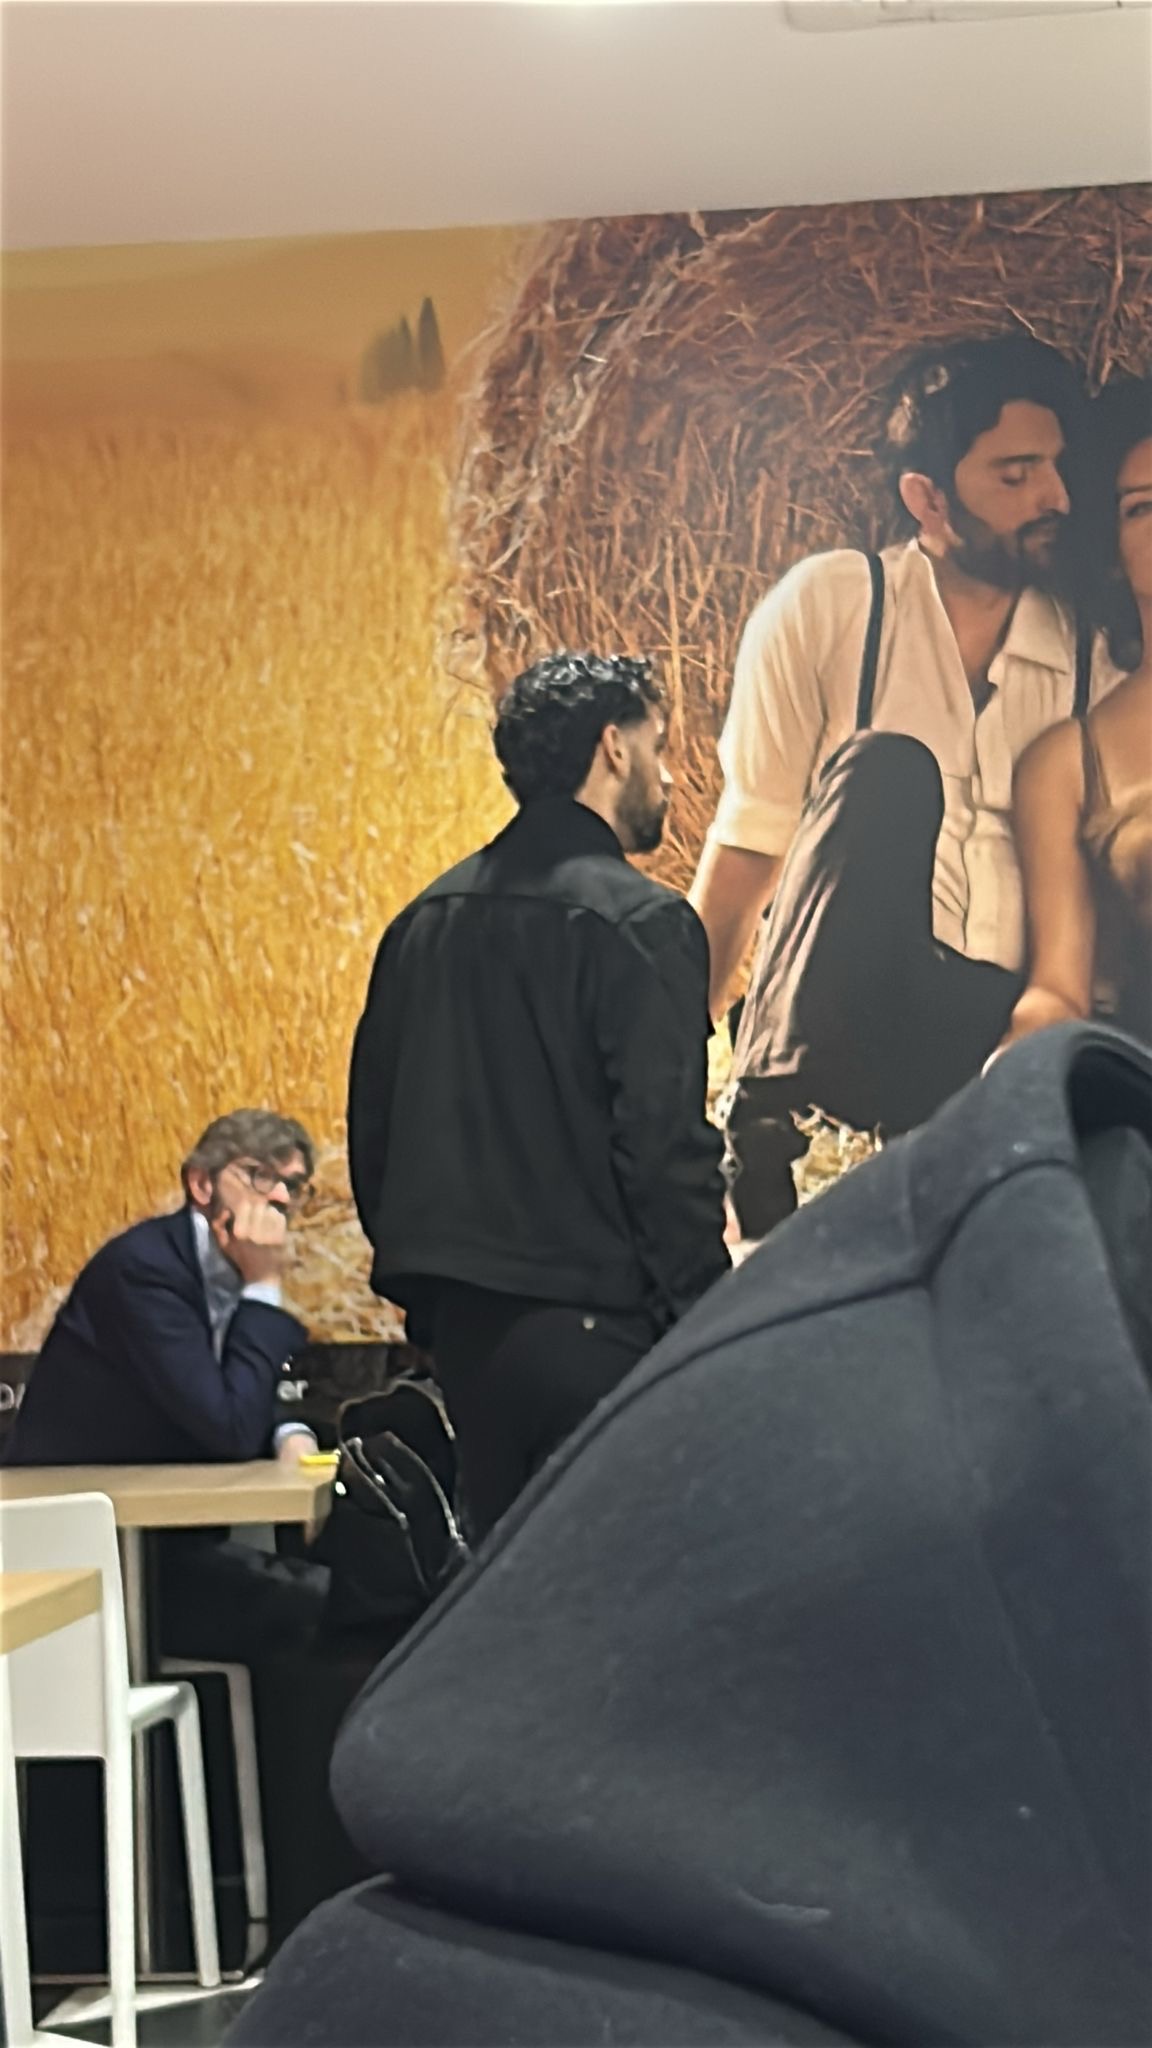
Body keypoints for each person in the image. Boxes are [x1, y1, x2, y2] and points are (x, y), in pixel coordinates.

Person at [689, 332, 1117, 1239]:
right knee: (885, 768)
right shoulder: (832, 606)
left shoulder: (1095, 656)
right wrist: (663, 1086)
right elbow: (744, 860)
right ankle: (764, 1123)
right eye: (1016, 475)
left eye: (1058, 469)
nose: (1056, 498)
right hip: (846, 1009)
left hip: (995, 1034)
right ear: (927, 498)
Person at [348, 651, 728, 1540]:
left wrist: (436, 1310)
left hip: (468, 1348)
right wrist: (708, 1328)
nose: (669, 774)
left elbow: (375, 1139)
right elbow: (664, 1152)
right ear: (614, 748)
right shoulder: (644, 922)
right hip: (603, 1339)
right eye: (658, 745)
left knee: (510, 1608)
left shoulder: (421, 923)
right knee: (622, 1602)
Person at [4, 1109, 329, 1660]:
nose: (278, 1198)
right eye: (258, 1175)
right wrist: (265, 1283)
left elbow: (227, 1390)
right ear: (201, 1184)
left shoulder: (218, 1269)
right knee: (324, 1604)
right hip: (73, 1557)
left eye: (292, 1185)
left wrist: (287, 1430)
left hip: (158, 1539)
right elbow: (227, 1426)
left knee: (352, 1587)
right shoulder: (144, 1271)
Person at [1003, 375, 1152, 1051]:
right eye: (1142, 508)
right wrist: (1017, 1073)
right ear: (1113, 553)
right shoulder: (1066, 762)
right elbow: (1059, 987)